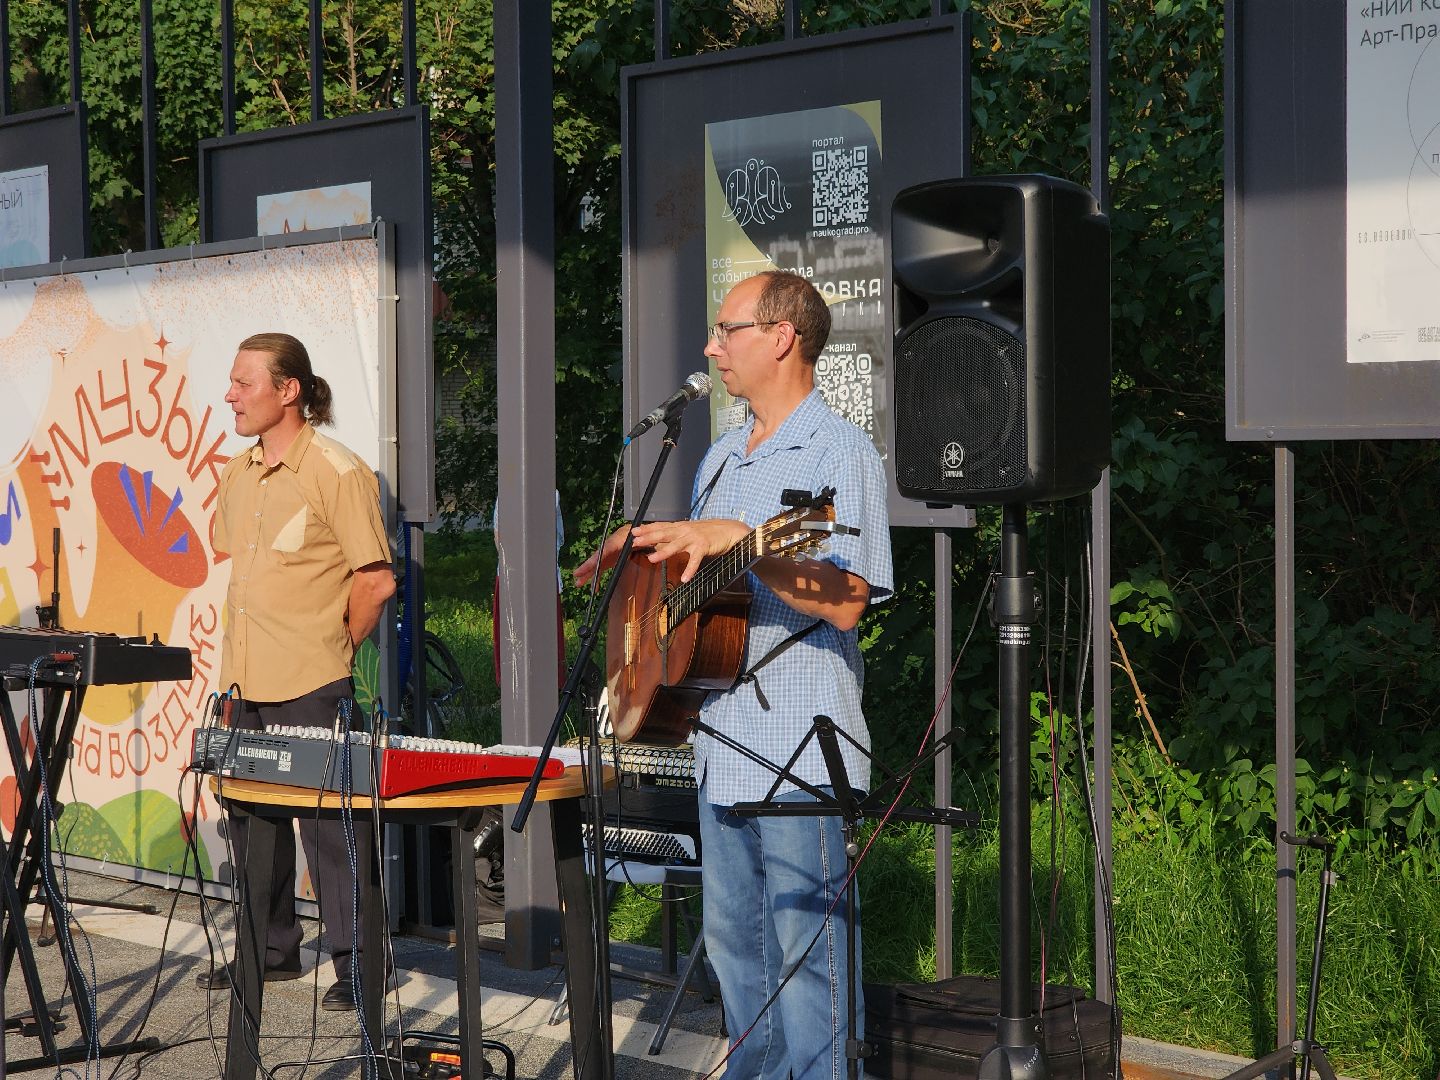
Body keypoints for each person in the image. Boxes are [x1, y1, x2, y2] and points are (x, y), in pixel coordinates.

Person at [576, 270, 892, 1078]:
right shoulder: (718, 456)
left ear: (782, 336)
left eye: (728, 330)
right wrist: (645, 587)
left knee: (808, 960)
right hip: (720, 744)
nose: (712, 347)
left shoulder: (839, 451)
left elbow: (848, 600)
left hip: (798, 749)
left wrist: (745, 542)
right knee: (735, 953)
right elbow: (700, 603)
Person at [204, 331, 396, 1012]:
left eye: (244, 382)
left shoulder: (336, 470)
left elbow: (375, 580)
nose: (230, 395)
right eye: (232, 381)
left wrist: (331, 648)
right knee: (250, 823)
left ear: (288, 390)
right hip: (243, 682)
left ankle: (361, 970)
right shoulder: (237, 472)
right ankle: (271, 952)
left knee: (333, 834)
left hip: (311, 681)